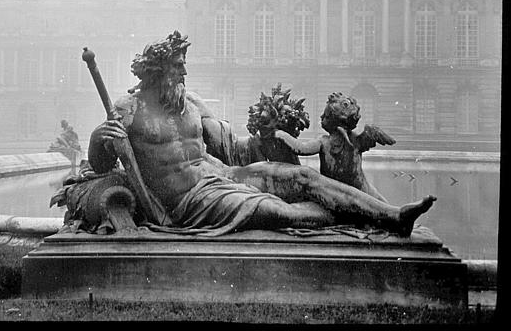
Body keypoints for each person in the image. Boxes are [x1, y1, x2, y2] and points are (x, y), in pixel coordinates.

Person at [88, 31, 436, 237]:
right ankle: (363, 218)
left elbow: (233, 149)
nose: (184, 71)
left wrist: (269, 136)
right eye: (178, 66)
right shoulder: (129, 109)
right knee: (278, 211)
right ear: (159, 68)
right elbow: (101, 162)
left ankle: (393, 218)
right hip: (190, 201)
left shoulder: (190, 102)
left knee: (301, 177)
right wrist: (98, 138)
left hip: (223, 175)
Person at [273, 92, 392, 203]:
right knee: (383, 206)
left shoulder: (325, 141)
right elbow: (301, 149)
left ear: (333, 120)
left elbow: (301, 148)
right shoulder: (355, 141)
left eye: (325, 115)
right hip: (355, 190)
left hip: (347, 192)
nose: (321, 117)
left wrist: (281, 135)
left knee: (382, 205)